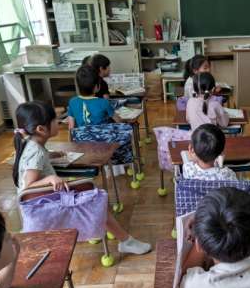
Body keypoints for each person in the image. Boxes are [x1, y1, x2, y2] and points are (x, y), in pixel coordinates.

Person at [13, 101, 151, 255]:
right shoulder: (36, 152)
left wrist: (50, 155)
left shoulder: (32, 143)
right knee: (96, 201)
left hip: (43, 200)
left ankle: (122, 239)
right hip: (45, 203)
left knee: (94, 201)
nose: (59, 122)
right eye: (55, 120)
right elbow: (28, 185)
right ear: (41, 129)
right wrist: (50, 178)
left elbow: (34, 164)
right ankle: (125, 241)